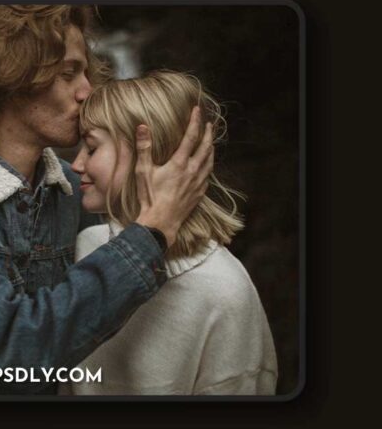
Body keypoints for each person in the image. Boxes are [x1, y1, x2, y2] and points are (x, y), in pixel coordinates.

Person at [0, 6, 214, 395]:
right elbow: (16, 349)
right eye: (68, 73)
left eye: (85, 73)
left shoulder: (76, 190)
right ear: (10, 73)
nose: (87, 91)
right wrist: (151, 231)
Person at [63, 70, 278, 395]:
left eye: (91, 148)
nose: (76, 164)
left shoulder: (225, 292)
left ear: (149, 154)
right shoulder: (88, 245)